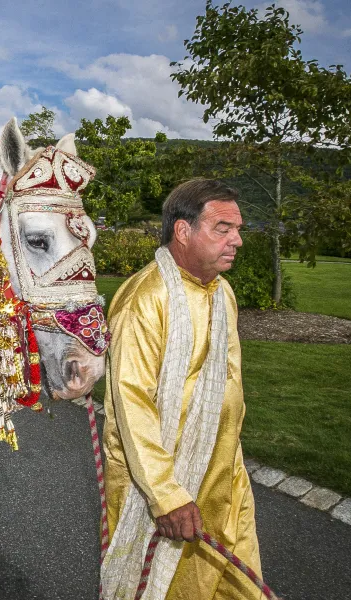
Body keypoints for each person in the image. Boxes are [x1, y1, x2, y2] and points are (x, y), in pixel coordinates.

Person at [100, 179, 262, 599]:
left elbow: (229, 380)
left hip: (223, 469)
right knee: (165, 584)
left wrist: (231, 455)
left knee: (235, 581)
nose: (237, 241)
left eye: (238, 229)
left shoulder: (221, 292)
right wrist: (166, 496)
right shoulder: (146, 298)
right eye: (223, 229)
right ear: (183, 231)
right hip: (164, 479)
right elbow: (130, 403)